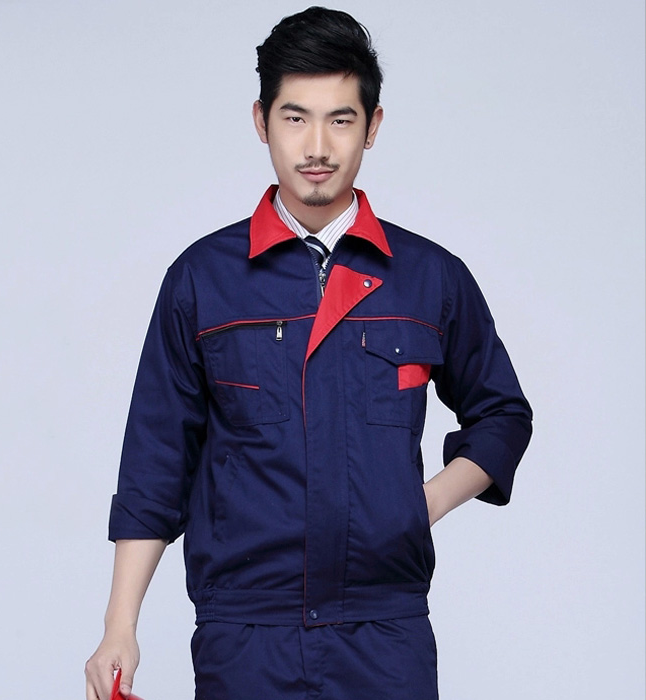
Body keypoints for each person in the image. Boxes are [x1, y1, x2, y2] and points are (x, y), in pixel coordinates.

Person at [85, 6, 532, 700]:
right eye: (295, 118)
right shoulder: (202, 280)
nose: (317, 146)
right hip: (245, 636)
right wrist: (120, 626)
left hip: (385, 635)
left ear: (372, 126)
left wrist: (423, 504)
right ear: (261, 121)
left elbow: (502, 413)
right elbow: (155, 462)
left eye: (340, 120)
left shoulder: (428, 277)